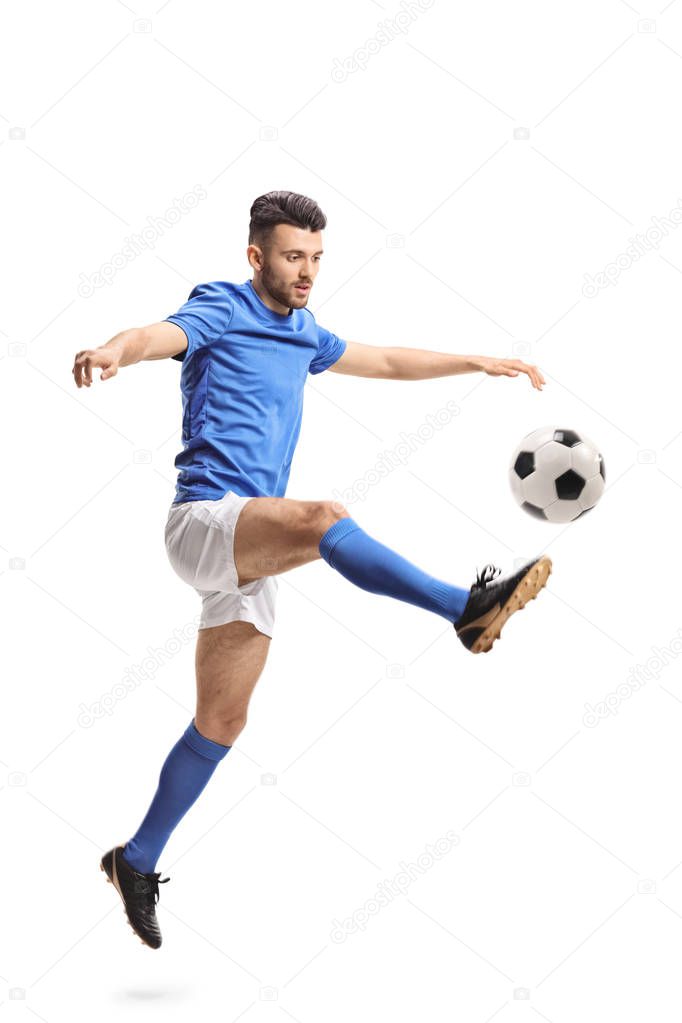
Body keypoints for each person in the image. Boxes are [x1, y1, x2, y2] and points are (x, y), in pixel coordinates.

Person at [72, 190, 551, 949]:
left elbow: (385, 359)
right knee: (323, 518)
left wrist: (475, 361)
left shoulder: (303, 332)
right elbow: (151, 335)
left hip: (246, 553)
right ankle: (464, 606)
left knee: (222, 721)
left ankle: (134, 859)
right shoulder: (221, 308)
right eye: (294, 257)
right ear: (257, 255)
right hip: (204, 522)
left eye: (318, 258)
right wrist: (111, 351)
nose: (308, 273)